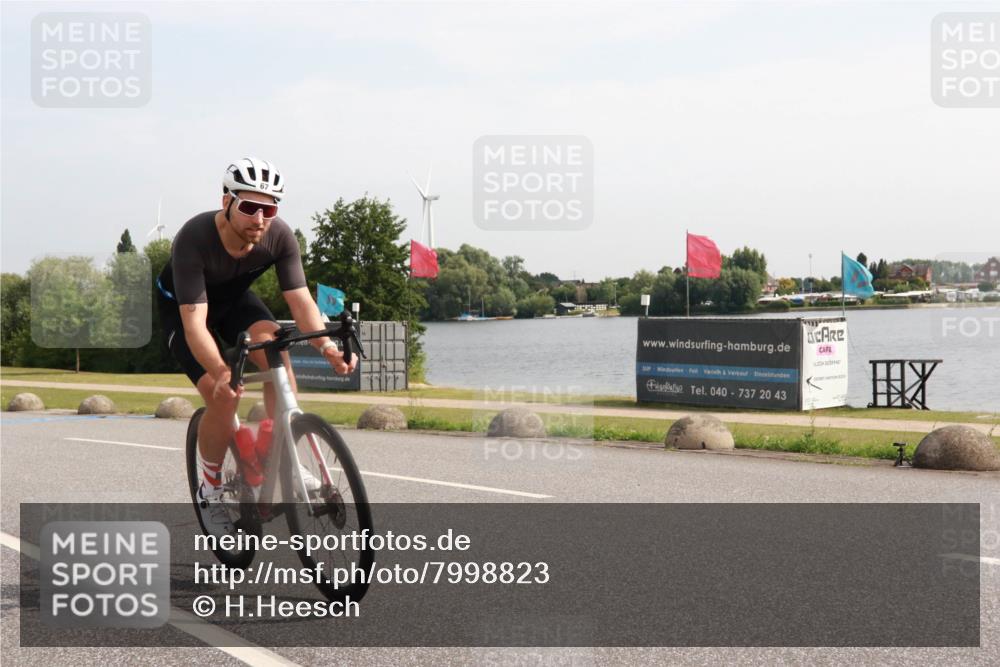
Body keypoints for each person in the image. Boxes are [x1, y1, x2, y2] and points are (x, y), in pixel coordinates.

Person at [157, 156, 355, 535]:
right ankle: (211, 487)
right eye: (250, 207)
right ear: (226, 201)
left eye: (270, 208)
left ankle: (281, 456)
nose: (260, 219)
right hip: (185, 312)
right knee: (223, 395)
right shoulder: (194, 238)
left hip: (234, 303)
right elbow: (195, 324)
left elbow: (300, 302)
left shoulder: (279, 237)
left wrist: (327, 348)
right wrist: (220, 373)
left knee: (275, 348)